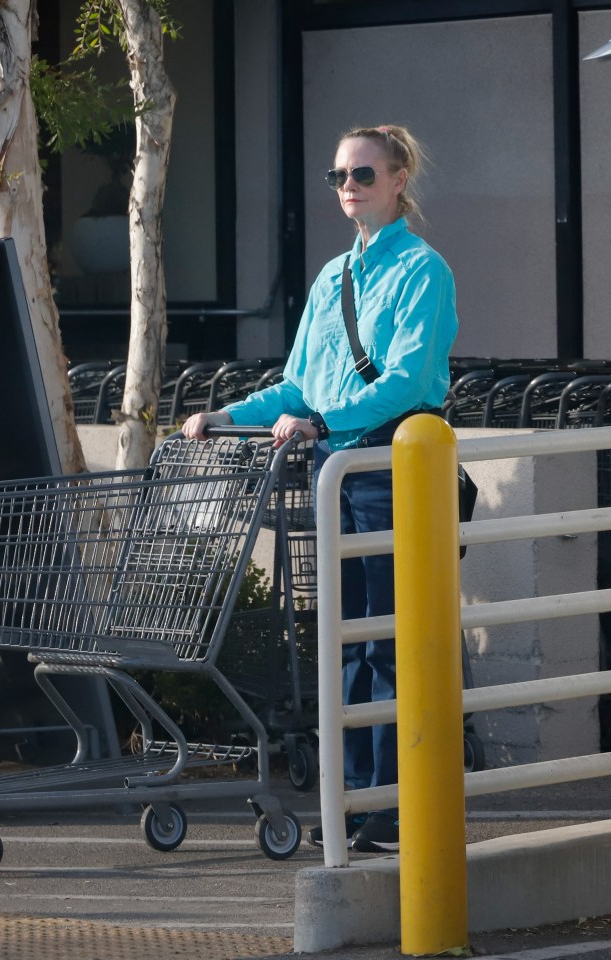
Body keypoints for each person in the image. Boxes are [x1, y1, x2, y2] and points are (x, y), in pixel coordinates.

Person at [182, 124, 458, 853]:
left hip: (392, 467)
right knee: (345, 643)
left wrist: (319, 420)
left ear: (400, 179)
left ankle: (394, 808)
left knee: (391, 645)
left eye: (363, 174)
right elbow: (300, 384)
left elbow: (405, 382)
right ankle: (357, 802)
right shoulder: (332, 278)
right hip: (337, 469)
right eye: (337, 175)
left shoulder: (424, 273)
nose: (348, 187)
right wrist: (225, 415)